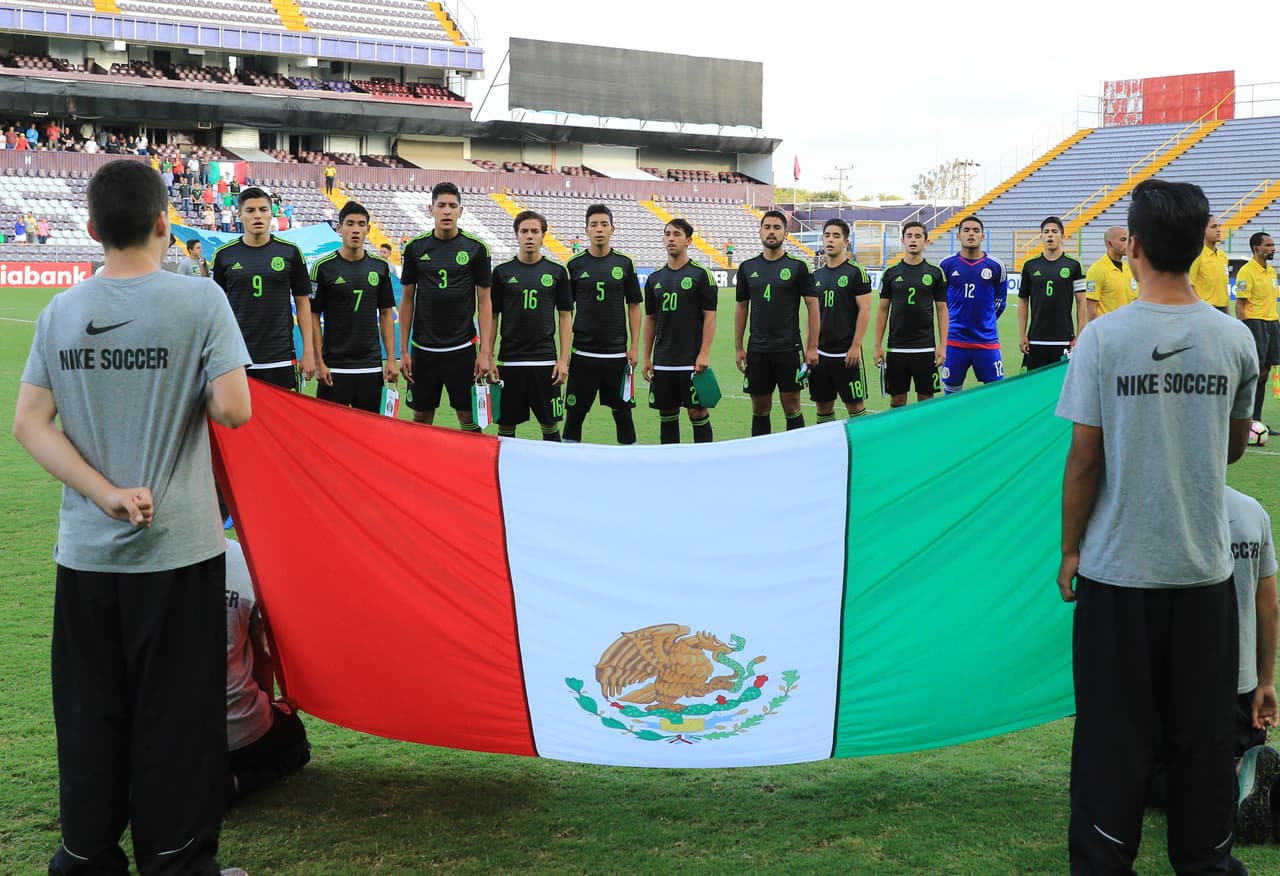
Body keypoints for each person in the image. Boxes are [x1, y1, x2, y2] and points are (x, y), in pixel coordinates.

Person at [12, 158, 252, 875]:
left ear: (92, 229)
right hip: (177, 552)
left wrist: (105, 493)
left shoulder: (61, 311)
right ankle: (177, 863)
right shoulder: (200, 300)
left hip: (86, 556)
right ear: (163, 224)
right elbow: (234, 410)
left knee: (91, 713)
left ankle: (86, 859)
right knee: (176, 715)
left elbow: (29, 424)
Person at [1056, 178, 1258, 875]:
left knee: (1111, 736)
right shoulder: (1234, 338)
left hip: (1118, 573)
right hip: (1203, 573)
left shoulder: (1102, 338)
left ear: (1134, 246)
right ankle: (1206, 861)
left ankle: (1103, 861)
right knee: (1202, 735)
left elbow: (1085, 460)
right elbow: (1232, 449)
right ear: (1202, 246)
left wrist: (1069, 549)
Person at [398, 181, 493, 431]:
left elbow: (485, 301)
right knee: (421, 416)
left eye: (452, 206)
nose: (447, 211)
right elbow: (407, 299)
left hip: (462, 348)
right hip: (423, 349)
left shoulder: (476, 249)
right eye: (441, 205)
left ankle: (472, 459)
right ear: (431, 209)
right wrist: (404, 350)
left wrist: (485, 351)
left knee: (468, 416)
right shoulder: (415, 248)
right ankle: (423, 458)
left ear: (461, 211)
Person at [223, 538, 311, 807]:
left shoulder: (142, 561)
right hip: (239, 732)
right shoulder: (243, 559)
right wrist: (271, 705)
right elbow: (264, 654)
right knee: (297, 746)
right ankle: (235, 784)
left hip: (163, 735)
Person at [211, 186, 317, 390]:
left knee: (281, 412)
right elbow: (214, 308)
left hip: (281, 355)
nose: (257, 216)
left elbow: (303, 302)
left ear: (271, 214)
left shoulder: (290, 252)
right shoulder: (224, 255)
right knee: (238, 411)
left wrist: (308, 351)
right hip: (237, 356)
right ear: (240, 215)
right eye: (250, 210)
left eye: (263, 209)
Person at [488, 211, 572, 440]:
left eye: (535, 231)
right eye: (524, 231)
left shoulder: (557, 272)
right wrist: (488, 356)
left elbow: (565, 315)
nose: (529, 236)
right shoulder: (501, 272)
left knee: (550, 426)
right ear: (516, 235)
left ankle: (552, 465)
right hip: (509, 362)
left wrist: (563, 360)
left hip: (545, 363)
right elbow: (492, 316)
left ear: (543, 236)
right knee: (505, 429)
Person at [563, 203, 642, 444]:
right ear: (586, 230)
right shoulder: (574, 265)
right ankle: (568, 461)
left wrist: (634, 346)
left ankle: (630, 460)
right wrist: (565, 354)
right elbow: (566, 311)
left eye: (604, 224)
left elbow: (634, 306)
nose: (599, 229)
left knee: (623, 415)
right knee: (575, 416)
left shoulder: (624, 263)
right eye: (594, 225)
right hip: (583, 354)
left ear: (612, 229)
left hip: (616, 355)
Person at [734, 209, 819, 434]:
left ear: (786, 233)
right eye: (767, 227)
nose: (771, 232)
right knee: (759, 408)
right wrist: (739, 347)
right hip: (757, 349)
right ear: (760, 231)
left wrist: (812, 347)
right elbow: (741, 307)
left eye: (777, 228)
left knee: (792, 405)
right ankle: (760, 454)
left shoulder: (798, 266)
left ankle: (796, 452)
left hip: (788, 348)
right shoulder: (747, 267)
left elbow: (813, 306)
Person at [310, 200, 398, 413]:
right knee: (330, 429)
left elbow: (386, 314)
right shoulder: (322, 267)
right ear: (339, 228)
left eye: (361, 224)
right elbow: (313, 315)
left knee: (370, 430)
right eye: (350, 224)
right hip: (334, 366)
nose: (355, 229)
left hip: (370, 365)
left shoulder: (380, 267)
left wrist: (391, 359)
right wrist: (319, 361)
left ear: (368, 229)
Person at [642, 218, 717, 444]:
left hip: (691, 360)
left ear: (688, 241)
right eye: (667, 234)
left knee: (697, 412)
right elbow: (650, 319)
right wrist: (646, 357)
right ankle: (670, 462)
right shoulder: (654, 278)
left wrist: (704, 353)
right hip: (663, 361)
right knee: (667, 413)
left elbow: (710, 316)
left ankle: (704, 460)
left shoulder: (701, 274)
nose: (671, 239)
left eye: (676, 234)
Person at [874, 221, 948, 407]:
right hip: (896, 348)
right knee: (897, 399)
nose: (913, 240)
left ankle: (925, 428)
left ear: (926, 242)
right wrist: (877, 346)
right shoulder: (890, 273)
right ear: (902, 240)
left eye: (918, 236)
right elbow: (882, 310)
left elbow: (942, 310)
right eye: (909, 236)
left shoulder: (936, 273)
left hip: (925, 348)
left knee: (926, 399)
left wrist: (942, 346)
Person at [810, 218, 873, 421]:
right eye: (827, 235)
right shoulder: (816, 275)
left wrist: (856, 346)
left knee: (855, 407)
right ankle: (826, 442)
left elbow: (865, 310)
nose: (830, 240)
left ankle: (861, 442)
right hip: (820, 353)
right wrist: (810, 347)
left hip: (846, 353)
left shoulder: (856, 272)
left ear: (846, 242)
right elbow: (812, 314)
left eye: (836, 236)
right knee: (823, 407)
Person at [939, 215, 1005, 393]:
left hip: (986, 340)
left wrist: (985, 321)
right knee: (951, 392)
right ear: (958, 236)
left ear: (983, 236)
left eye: (976, 231)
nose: (971, 234)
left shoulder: (996, 266)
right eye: (966, 230)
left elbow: (1000, 302)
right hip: (954, 340)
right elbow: (941, 304)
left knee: (995, 392)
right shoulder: (945, 265)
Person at [1017, 216, 1086, 370]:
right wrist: (1022, 334)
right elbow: (1023, 300)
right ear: (1041, 236)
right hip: (1035, 339)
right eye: (1046, 232)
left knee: (1062, 383)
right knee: (1035, 383)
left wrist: (1080, 334)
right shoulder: (1029, 266)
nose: (1050, 235)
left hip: (1064, 339)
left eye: (1054, 232)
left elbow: (1082, 302)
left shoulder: (1074, 266)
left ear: (1062, 237)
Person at [1234, 232, 1279, 430]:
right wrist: (1245, 331)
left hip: (1272, 322)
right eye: (1268, 245)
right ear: (1256, 248)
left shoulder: (1271, 272)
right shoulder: (1246, 272)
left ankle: (1256, 420)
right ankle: (1243, 419)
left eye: (1273, 245)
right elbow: (1240, 305)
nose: (1272, 248)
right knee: (1254, 372)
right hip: (1255, 323)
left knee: (1265, 372)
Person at [1084, 226, 1137, 321]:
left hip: (1128, 328)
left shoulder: (1129, 269)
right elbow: (1091, 310)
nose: (1128, 243)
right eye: (1123, 240)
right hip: (1107, 329)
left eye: (1128, 240)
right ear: (1109, 243)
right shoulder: (1097, 269)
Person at [1190, 215, 1230, 314]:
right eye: (1213, 227)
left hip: (1223, 310)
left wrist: (1228, 312)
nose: (1219, 230)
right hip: (1205, 310)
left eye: (1219, 226)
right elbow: (1189, 285)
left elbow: (1224, 288)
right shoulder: (1196, 255)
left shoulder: (1222, 256)